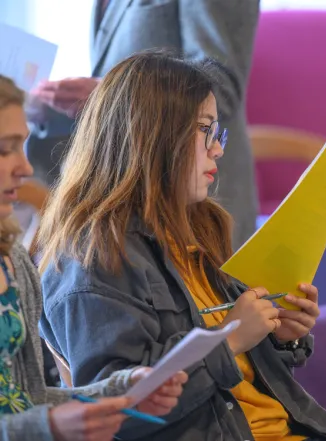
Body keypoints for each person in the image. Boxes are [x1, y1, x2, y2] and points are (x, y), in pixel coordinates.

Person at [37, 51, 326, 441]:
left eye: (217, 132)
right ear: (153, 134)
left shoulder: (199, 225)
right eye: (205, 129)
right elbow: (118, 413)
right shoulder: (94, 253)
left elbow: (242, 376)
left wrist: (277, 335)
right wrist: (231, 337)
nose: (218, 149)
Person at [0, 74, 188, 441]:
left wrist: (121, 391)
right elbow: (35, 419)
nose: (23, 168)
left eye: (21, 147)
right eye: (5, 149)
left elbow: (29, 399)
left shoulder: (14, 260)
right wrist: (47, 428)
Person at [28, 0, 260, 250]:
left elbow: (221, 84)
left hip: (195, 208)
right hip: (129, 207)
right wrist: (51, 108)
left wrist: (111, 95)